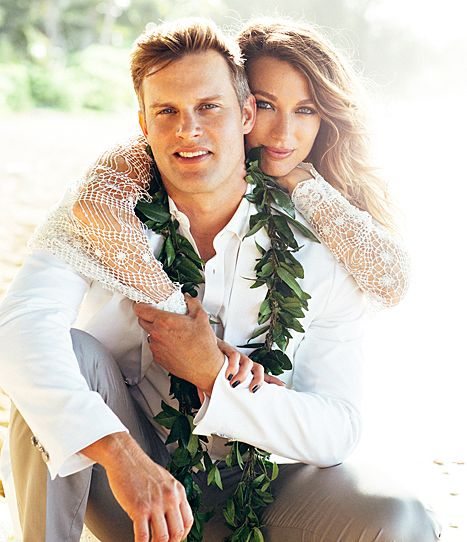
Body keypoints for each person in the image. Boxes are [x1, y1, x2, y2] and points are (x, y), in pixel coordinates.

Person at [0, 17, 438, 542]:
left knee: (399, 516)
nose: (188, 130)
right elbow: (19, 328)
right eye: (168, 111)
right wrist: (118, 452)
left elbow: (338, 428)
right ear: (144, 123)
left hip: (259, 490)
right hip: (128, 485)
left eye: (209, 107)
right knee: (64, 355)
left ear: (240, 113)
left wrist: (212, 374)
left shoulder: (322, 247)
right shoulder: (103, 210)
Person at [56, 20, 409, 315]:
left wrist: (306, 186)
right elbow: (95, 202)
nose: (283, 133)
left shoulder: (327, 178)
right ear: (242, 106)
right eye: (267, 105)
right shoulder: (168, 149)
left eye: (305, 110)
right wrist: (177, 313)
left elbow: (391, 283)